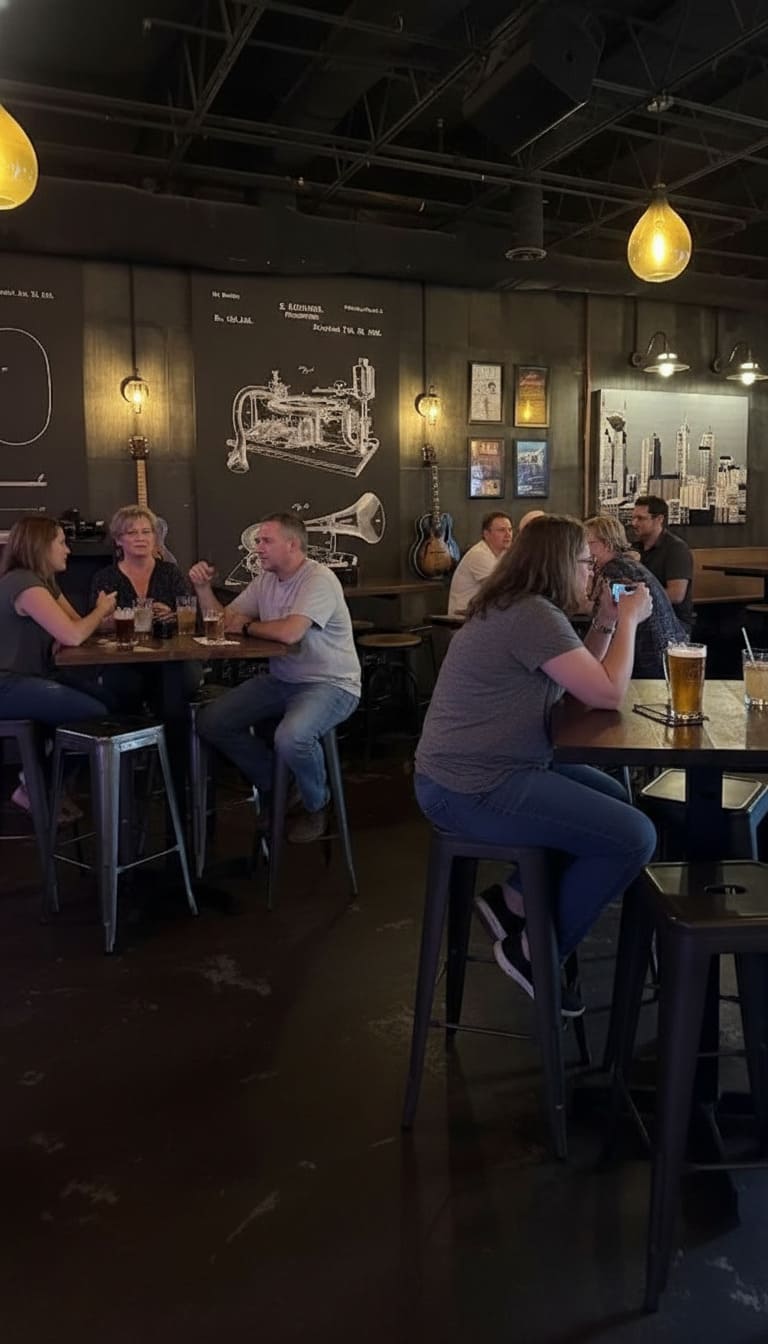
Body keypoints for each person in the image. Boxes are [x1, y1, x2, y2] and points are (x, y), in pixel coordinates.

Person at [414, 514, 657, 1015]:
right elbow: (608, 692)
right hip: (473, 785)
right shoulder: (532, 616)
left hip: (479, 769)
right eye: (587, 564)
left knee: (614, 798)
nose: (591, 574)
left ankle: (516, 898)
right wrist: (630, 621)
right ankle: (533, 954)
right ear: (560, 563)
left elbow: (580, 682)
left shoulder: (521, 608)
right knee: (635, 836)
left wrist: (608, 622)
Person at [191, 513, 361, 843]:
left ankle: (317, 804)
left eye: (266, 541)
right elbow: (225, 621)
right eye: (258, 541)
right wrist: (202, 589)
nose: (258, 548)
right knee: (211, 722)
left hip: (331, 683)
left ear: (292, 544)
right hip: (283, 680)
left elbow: (290, 633)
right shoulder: (266, 580)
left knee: (291, 737)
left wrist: (249, 626)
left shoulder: (318, 579)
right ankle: (282, 785)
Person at [0, 515, 115, 814]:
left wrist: (106, 620)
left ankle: (46, 785)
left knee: (113, 701)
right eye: (62, 543)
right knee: (94, 714)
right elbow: (74, 635)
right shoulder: (24, 583)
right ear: (41, 546)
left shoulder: (45, 581)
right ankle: (37, 786)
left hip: (28, 678)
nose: (68, 550)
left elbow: (76, 623)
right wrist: (100, 610)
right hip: (7, 685)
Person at [89, 505, 203, 717]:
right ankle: (135, 744)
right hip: (123, 659)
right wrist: (129, 618)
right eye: (132, 533)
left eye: (146, 532)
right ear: (118, 540)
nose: (141, 538)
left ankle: (173, 747)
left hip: (171, 656)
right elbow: (96, 625)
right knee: (122, 684)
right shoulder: (105, 577)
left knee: (177, 680)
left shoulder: (170, 572)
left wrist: (172, 615)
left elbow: (191, 616)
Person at [585, 514, 687, 678]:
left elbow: (614, 616)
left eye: (589, 543)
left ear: (607, 544)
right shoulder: (625, 565)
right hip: (665, 651)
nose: (584, 548)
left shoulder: (616, 572)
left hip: (649, 659)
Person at [631, 495, 694, 632]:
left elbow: (676, 595)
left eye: (640, 518)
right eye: (633, 518)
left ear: (659, 519)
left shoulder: (676, 549)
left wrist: (636, 599)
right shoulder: (634, 548)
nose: (634, 523)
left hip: (673, 622)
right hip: (642, 619)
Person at [447, 512, 514, 616]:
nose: (508, 534)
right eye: (501, 530)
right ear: (486, 534)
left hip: (483, 614)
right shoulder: (479, 554)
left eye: (510, 529)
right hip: (463, 617)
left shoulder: (505, 553)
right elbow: (499, 590)